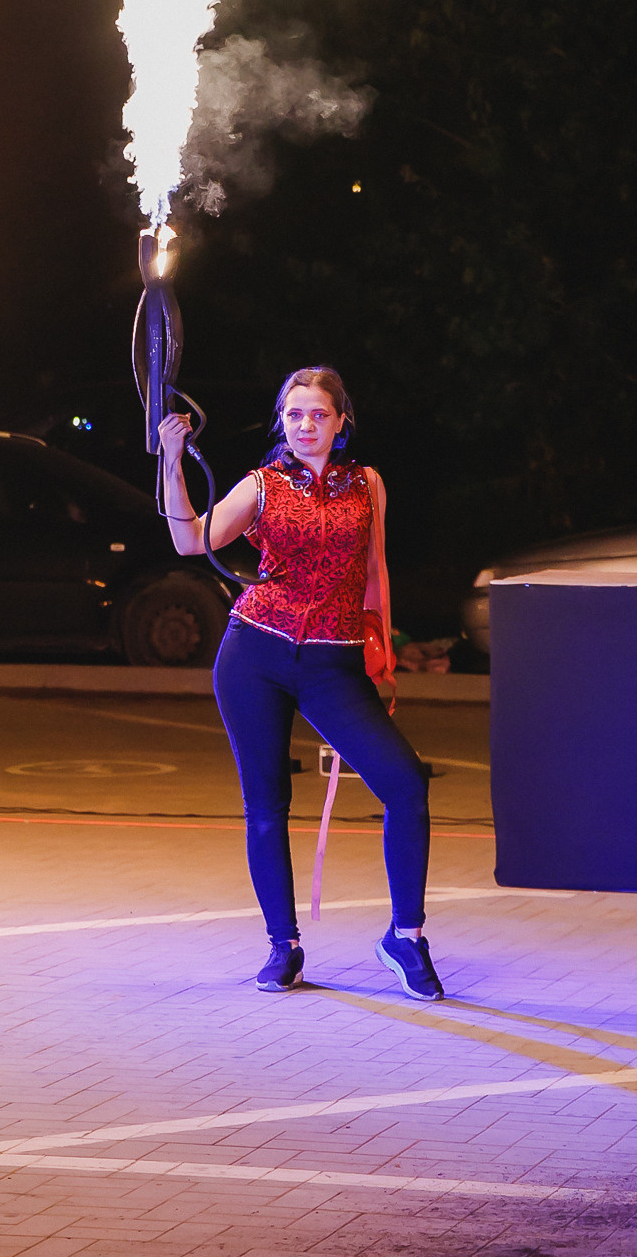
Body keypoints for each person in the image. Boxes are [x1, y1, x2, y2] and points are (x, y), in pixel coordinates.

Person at [157, 366, 443, 1000]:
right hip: (254, 654)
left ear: (341, 421)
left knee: (405, 785)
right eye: (294, 415)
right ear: (282, 423)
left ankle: (407, 937)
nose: (306, 425)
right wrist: (172, 460)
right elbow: (190, 539)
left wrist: (384, 650)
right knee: (266, 805)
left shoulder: (367, 485)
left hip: (334, 661)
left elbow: (375, 569)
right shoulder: (261, 485)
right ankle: (282, 946)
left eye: (319, 414)